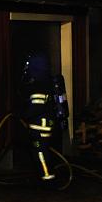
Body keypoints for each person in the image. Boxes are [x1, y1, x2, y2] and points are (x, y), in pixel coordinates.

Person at [19, 53, 69, 181]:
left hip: (40, 126)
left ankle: (48, 179)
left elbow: (36, 106)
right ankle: (47, 175)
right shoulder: (47, 81)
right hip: (46, 124)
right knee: (45, 151)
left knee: (40, 152)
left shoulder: (38, 84)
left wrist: (24, 115)